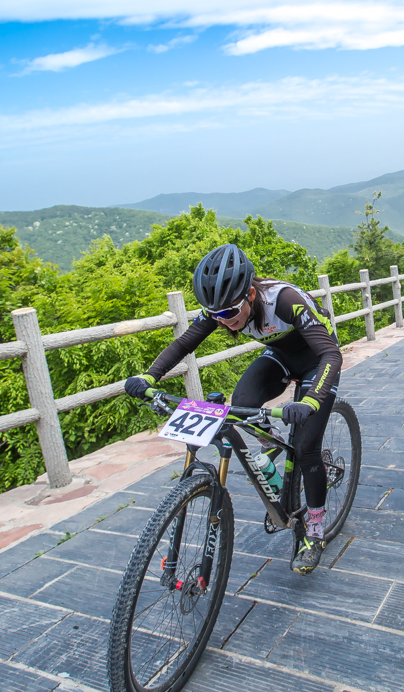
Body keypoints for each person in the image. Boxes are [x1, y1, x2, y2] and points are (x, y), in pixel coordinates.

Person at [123, 244, 342, 574]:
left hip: (317, 361)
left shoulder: (283, 301)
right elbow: (185, 343)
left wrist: (310, 402)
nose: (223, 322)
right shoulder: (221, 308)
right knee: (241, 407)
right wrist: (149, 376)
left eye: (228, 314)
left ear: (250, 294)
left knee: (307, 447)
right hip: (281, 355)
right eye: (215, 315)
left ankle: (314, 532)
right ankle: (272, 450)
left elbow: (332, 357)